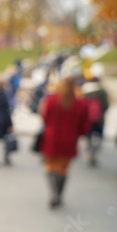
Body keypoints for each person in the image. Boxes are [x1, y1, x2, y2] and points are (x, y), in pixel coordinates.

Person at [40, 77, 90, 209]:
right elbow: (84, 125)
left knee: (50, 167)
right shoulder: (81, 104)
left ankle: (54, 194)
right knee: (63, 169)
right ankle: (59, 194)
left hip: (52, 139)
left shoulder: (51, 101)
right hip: (70, 140)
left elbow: (45, 118)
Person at [82, 77, 110, 167]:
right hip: (99, 119)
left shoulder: (85, 91)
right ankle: (93, 153)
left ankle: (89, 152)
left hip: (88, 119)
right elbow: (106, 105)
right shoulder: (102, 92)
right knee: (98, 137)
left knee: (88, 137)